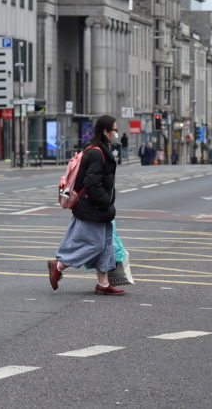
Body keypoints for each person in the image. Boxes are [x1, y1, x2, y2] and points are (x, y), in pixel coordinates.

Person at [49, 115, 124, 295]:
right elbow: (92, 183)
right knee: (95, 245)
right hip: (93, 207)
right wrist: (106, 203)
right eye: (114, 130)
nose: (116, 133)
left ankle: (103, 284)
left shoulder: (99, 149)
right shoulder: (97, 153)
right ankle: (58, 266)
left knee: (106, 244)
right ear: (106, 132)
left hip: (96, 207)